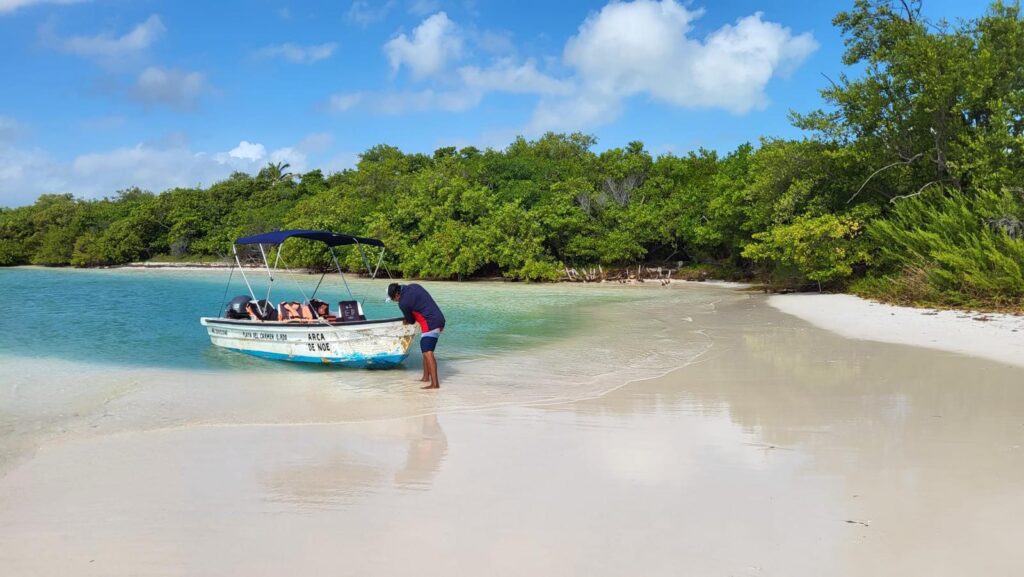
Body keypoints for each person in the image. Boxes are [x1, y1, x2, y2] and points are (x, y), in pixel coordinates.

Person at [388, 283, 446, 389]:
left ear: (397, 295)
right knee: (424, 348)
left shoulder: (403, 303)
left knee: (428, 352)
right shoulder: (414, 286)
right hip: (439, 318)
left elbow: (411, 320)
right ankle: (425, 377)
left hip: (430, 323)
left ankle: (435, 384)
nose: (394, 301)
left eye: (393, 299)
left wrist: (406, 320)